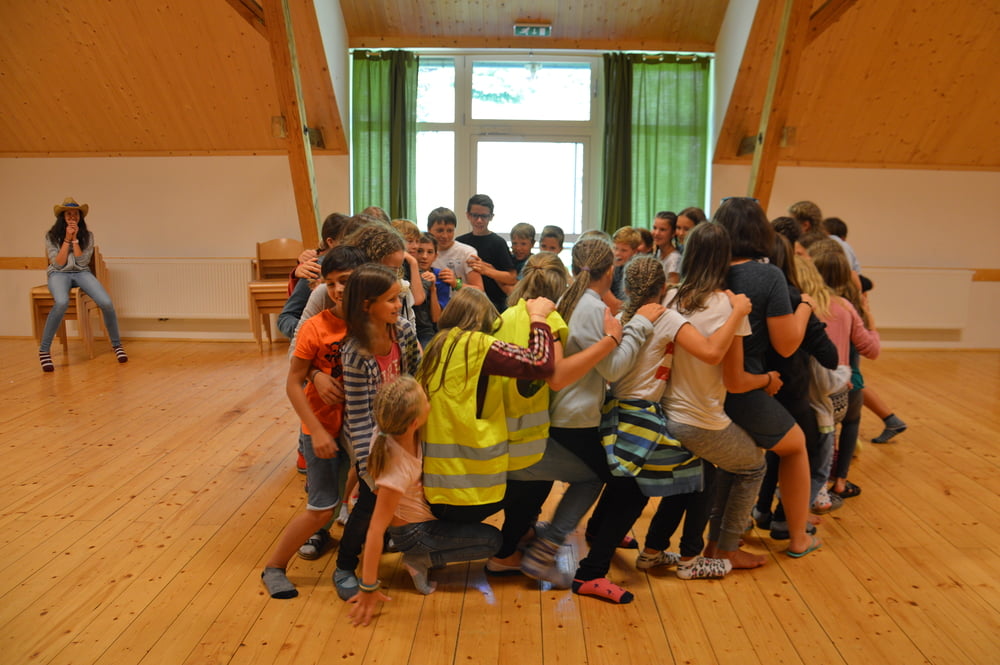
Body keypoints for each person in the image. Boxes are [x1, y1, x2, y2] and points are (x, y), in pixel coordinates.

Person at [601, 253, 753, 584]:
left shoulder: (622, 315)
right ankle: (689, 561)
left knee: (686, 476)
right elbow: (711, 352)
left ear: (627, 287)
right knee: (702, 476)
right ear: (662, 288)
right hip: (640, 419)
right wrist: (738, 312)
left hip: (617, 415)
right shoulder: (665, 317)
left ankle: (652, 552)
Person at [640, 222, 769, 575]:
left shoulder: (670, 297)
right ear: (724, 258)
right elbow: (736, 381)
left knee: (692, 483)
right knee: (754, 465)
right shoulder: (729, 306)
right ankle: (726, 549)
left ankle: (654, 550)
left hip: (664, 414)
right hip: (700, 420)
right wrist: (769, 379)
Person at [546, 237, 664, 604]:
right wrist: (640, 324)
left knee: (619, 480)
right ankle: (590, 574)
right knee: (634, 488)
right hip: (574, 419)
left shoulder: (574, 300)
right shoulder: (591, 308)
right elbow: (613, 367)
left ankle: (598, 532)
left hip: (572, 414)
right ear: (611, 271)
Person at [347, 376, 502, 626]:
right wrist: (368, 586)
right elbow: (375, 530)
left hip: (421, 521)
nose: (429, 401)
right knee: (493, 541)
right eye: (425, 400)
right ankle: (421, 559)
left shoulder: (392, 428)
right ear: (414, 422)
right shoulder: (396, 467)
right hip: (414, 533)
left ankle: (422, 554)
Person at [716, 197, 821, 559]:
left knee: (737, 459)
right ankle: (798, 538)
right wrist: (805, 307)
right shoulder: (767, 276)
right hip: (744, 383)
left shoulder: (707, 269)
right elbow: (787, 344)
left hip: (701, 385)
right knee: (795, 446)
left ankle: (730, 531)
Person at [260, 246, 366, 599]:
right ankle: (274, 566)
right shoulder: (314, 327)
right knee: (321, 509)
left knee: (368, 495)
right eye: (331, 283)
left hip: (359, 430)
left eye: (345, 281)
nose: (338, 290)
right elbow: (293, 383)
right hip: (321, 428)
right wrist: (317, 431)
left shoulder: (373, 323)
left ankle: (350, 563)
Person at [416, 288, 557, 523]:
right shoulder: (477, 344)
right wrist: (538, 318)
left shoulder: (437, 344)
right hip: (471, 488)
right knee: (536, 482)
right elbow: (540, 362)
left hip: (438, 480)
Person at [333, 263, 422, 600]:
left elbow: (416, 378)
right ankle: (344, 565)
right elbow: (358, 416)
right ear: (367, 305)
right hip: (371, 439)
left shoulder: (402, 331)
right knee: (369, 502)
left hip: (403, 431)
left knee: (399, 497)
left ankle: (389, 541)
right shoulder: (355, 352)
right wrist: (368, 464)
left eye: (399, 298)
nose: (399, 305)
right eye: (391, 300)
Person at [39, 197, 127, 371]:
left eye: (76, 214)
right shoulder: (51, 236)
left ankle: (117, 345)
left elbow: (82, 262)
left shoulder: (88, 235)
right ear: (63, 217)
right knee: (61, 302)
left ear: (80, 217)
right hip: (59, 274)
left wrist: (75, 240)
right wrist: (66, 239)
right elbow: (58, 263)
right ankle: (44, 350)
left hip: (81, 272)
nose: (73, 217)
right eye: (69, 214)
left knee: (106, 302)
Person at [460, 194, 517, 312]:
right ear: (468, 215)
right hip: (467, 303)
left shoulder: (498, 243)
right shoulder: (460, 242)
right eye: (475, 215)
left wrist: (486, 270)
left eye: (484, 216)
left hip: (495, 304)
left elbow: (511, 278)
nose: (479, 220)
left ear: (491, 217)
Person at [427, 206, 484, 296]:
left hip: (461, 303)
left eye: (450, 231)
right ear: (429, 229)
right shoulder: (422, 253)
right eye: (440, 230)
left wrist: (456, 283)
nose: (445, 236)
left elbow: (479, 289)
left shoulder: (467, 253)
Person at [412, 233, 443, 347]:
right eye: (420, 251)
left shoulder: (441, 276)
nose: (424, 256)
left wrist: (433, 289)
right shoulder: (406, 273)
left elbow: (436, 318)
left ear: (435, 256)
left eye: (430, 252)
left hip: (427, 331)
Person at [652, 211, 681, 284]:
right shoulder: (658, 253)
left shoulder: (675, 259)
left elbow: (672, 287)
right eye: (654, 228)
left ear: (673, 233)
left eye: (662, 230)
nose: (656, 233)